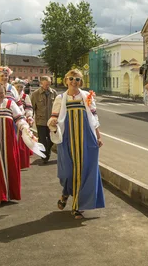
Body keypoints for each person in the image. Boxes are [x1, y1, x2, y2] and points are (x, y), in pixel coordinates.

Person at [48, 69, 104, 219]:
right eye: (71, 78)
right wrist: (52, 123)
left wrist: (98, 137)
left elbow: (94, 118)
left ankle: (77, 206)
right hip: (67, 139)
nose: (74, 82)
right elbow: (53, 118)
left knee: (84, 173)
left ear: (81, 82)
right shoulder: (60, 98)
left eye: (77, 79)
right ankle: (65, 193)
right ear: (66, 80)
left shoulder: (87, 96)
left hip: (86, 139)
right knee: (67, 173)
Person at [0, 83, 40, 204]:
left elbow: (19, 118)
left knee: (10, 163)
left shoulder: (10, 104)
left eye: (1, 93)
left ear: (5, 93)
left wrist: (25, 128)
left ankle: (8, 193)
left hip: (9, 141)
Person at [30, 76, 57, 163]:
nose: (47, 86)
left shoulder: (54, 93)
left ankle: (47, 151)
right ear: (41, 84)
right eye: (46, 84)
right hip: (41, 121)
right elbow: (32, 108)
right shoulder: (35, 94)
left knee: (52, 139)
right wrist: (30, 119)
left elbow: (58, 107)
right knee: (42, 140)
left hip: (52, 121)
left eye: (49, 84)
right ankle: (45, 156)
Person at [14, 80, 34, 169]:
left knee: (22, 141)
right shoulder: (12, 96)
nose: (19, 89)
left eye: (21, 87)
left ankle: (21, 161)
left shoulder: (25, 96)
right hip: (13, 120)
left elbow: (29, 108)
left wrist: (29, 116)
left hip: (22, 120)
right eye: (17, 87)